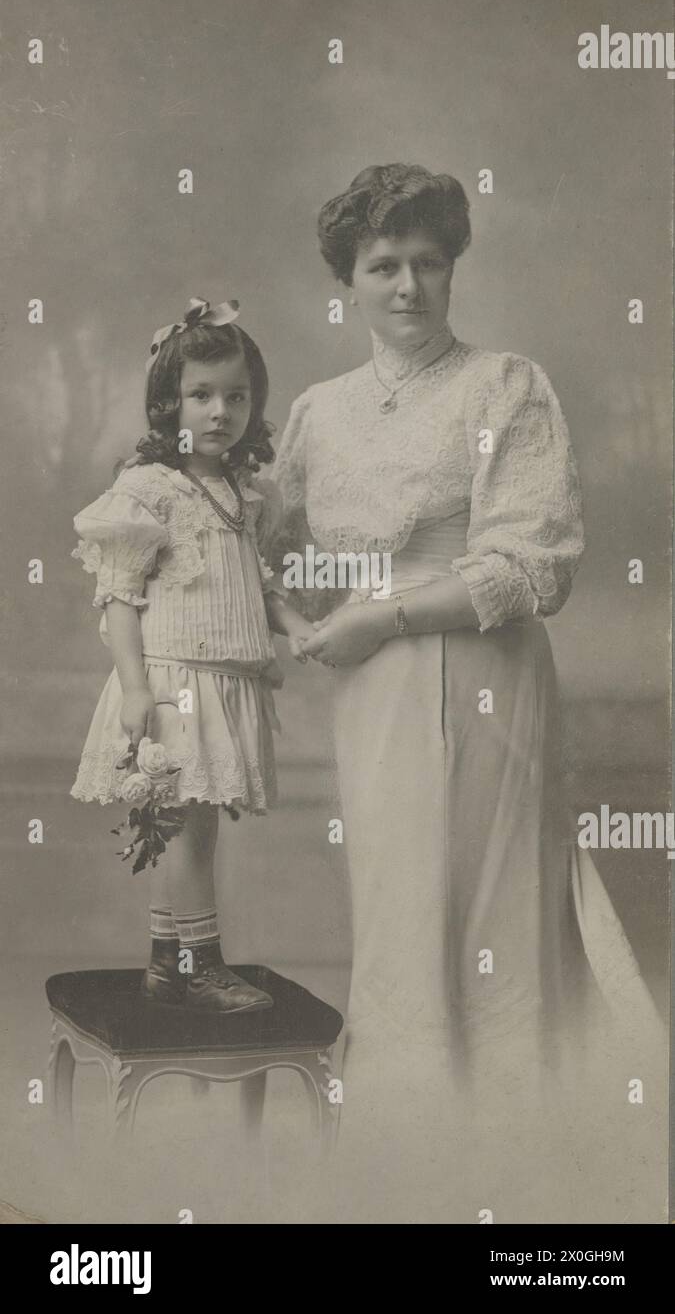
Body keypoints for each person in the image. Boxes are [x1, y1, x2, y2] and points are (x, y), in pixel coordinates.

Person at [271, 165, 665, 1221]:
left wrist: (383, 614)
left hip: (486, 673)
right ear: (347, 282)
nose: (408, 286)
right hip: (372, 690)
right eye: (383, 266)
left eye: (428, 263)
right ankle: (408, 1171)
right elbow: (258, 541)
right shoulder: (316, 413)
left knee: (490, 908)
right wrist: (287, 615)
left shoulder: (505, 387)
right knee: (401, 912)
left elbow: (535, 566)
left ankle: (509, 1166)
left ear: (454, 268)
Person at [70, 297, 314, 1015]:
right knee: (188, 835)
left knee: (181, 831)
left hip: (223, 681)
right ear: (167, 404)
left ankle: (163, 964)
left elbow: (255, 588)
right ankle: (199, 968)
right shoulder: (150, 490)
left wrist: (297, 627)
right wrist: (136, 688)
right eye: (200, 395)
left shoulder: (245, 495)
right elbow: (118, 598)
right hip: (173, 686)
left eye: (235, 396)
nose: (219, 412)